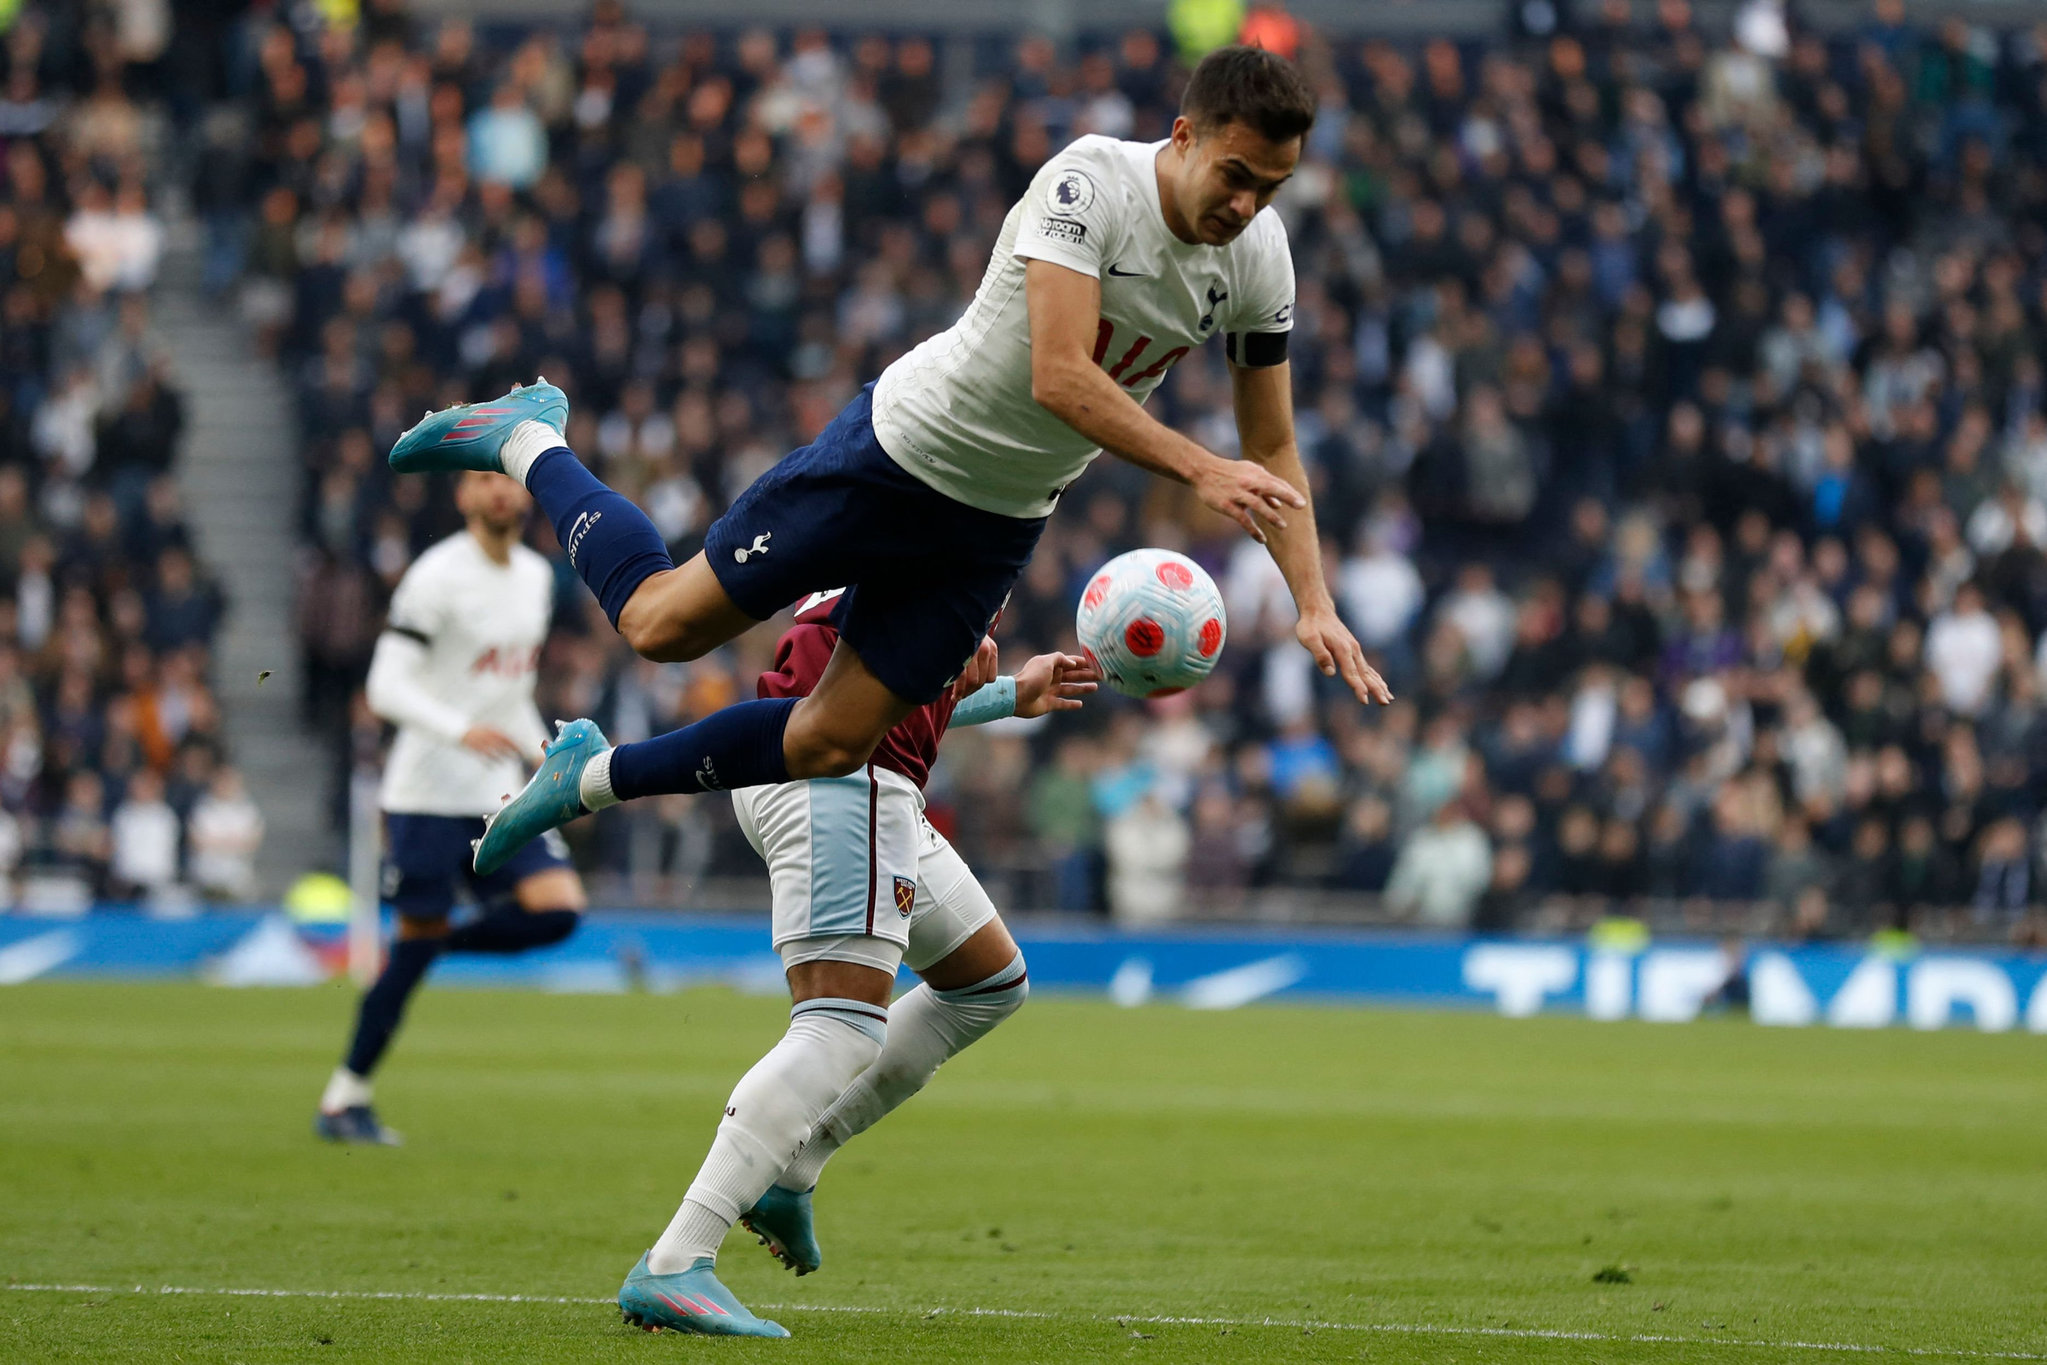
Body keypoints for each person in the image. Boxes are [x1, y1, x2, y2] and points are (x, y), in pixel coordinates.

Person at [385, 44, 1388, 878]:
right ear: (1184, 138)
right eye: (1237, 177)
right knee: (659, 626)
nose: (1250, 205)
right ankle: (527, 437)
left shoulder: (1262, 257)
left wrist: (1312, 600)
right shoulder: (1090, 182)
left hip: (996, 524)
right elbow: (1059, 376)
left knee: (830, 741)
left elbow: (1273, 447)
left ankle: (587, 778)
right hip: (899, 457)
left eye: (1272, 187)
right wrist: (1198, 470)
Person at [618, 591, 1096, 1337]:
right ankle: (677, 1258)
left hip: (835, 753)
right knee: (837, 1028)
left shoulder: (960, 516)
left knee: (987, 981)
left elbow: (888, 682)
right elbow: (859, 662)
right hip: (843, 768)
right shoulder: (962, 509)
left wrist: (1004, 692)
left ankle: (793, 1164)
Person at [313, 471, 587, 1146]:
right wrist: (458, 728)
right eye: (482, 479)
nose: (498, 490)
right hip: (427, 792)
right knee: (408, 954)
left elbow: (511, 691)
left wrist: (547, 754)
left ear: (525, 493)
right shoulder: (435, 576)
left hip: (493, 790)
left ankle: (438, 944)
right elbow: (384, 686)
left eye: (507, 478)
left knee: (558, 909)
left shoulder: (534, 576)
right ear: (461, 495)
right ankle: (344, 1096)